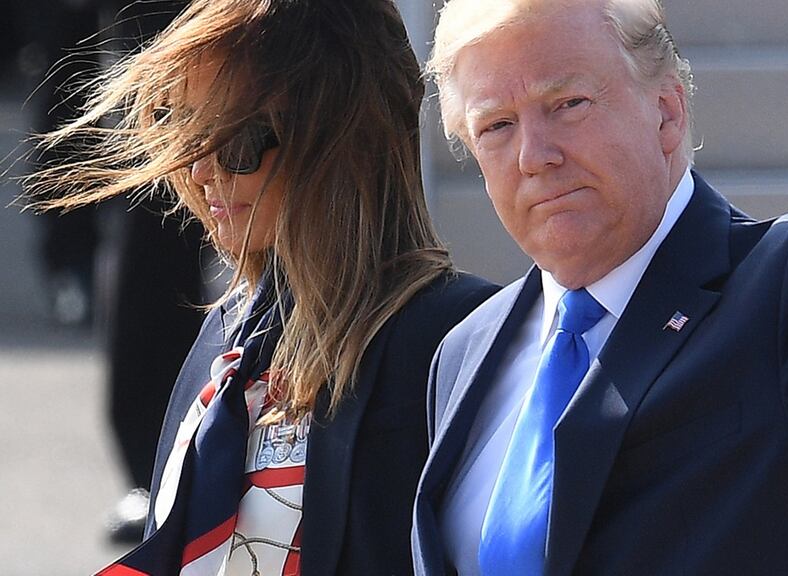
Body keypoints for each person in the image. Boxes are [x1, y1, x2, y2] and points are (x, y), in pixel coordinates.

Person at [411, 0, 788, 574]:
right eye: (496, 126)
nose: (534, 155)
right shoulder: (466, 351)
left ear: (667, 111)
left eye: (567, 103)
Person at [27, 0, 497, 574]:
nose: (201, 172)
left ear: (340, 143)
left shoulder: (457, 341)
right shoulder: (227, 335)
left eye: (238, 145)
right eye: (187, 132)